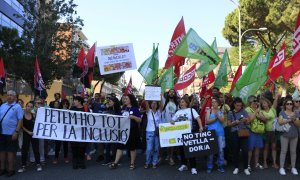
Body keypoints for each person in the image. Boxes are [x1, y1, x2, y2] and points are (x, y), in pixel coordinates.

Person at [172, 96, 203, 175]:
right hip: (180, 134)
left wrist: (201, 127)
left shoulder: (191, 110)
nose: (181, 103)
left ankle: (193, 167)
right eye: (180, 102)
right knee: (182, 150)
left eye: (183, 102)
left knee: (191, 150)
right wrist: (172, 122)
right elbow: (173, 120)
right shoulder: (178, 112)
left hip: (190, 133)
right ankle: (184, 164)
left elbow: (198, 118)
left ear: (186, 103)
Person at [109, 94, 142, 170]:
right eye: (124, 99)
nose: (124, 100)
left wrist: (133, 117)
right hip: (123, 131)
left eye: (126, 99)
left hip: (132, 131)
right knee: (120, 147)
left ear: (131, 100)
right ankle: (115, 163)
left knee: (132, 148)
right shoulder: (123, 108)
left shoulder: (135, 109)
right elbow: (117, 117)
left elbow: (140, 120)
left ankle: (132, 163)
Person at [0, 90, 24, 177]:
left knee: (10, 152)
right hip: (1, 133)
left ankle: (11, 169)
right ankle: (2, 169)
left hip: (11, 134)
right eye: (8, 95)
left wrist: (16, 132)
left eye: (11, 95)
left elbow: (20, 120)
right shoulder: (2, 105)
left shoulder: (17, 107)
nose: (9, 96)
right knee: (2, 151)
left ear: (15, 97)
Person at [227, 97, 250, 175]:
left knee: (245, 151)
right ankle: (236, 167)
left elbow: (248, 123)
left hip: (243, 132)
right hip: (234, 133)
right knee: (235, 151)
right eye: (237, 105)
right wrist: (235, 122)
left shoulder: (244, 111)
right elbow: (228, 124)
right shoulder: (230, 113)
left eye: (240, 105)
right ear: (234, 105)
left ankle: (246, 168)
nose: (239, 107)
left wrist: (246, 120)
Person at [18, 101, 42, 173]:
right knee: (24, 150)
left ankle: (38, 164)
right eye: (28, 106)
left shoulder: (34, 115)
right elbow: (21, 126)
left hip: (33, 134)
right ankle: (23, 165)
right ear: (26, 106)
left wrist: (38, 108)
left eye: (31, 107)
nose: (29, 108)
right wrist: (28, 132)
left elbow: (39, 122)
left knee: (36, 149)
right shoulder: (21, 115)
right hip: (26, 134)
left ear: (32, 108)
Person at [278, 99, 300, 175]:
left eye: (291, 104)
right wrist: (289, 119)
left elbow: (298, 124)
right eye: (288, 104)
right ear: (285, 105)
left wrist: (293, 119)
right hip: (284, 135)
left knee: (293, 152)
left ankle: (293, 167)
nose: (289, 105)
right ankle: (281, 168)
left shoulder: (296, 113)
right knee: (283, 151)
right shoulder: (282, 112)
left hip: (294, 135)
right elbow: (280, 122)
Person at [206, 97, 225, 173]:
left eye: (215, 102)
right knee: (211, 151)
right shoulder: (209, 111)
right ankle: (209, 166)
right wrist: (216, 117)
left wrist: (218, 115)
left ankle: (220, 165)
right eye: (212, 102)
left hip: (220, 133)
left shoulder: (221, 111)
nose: (213, 103)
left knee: (221, 150)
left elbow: (222, 121)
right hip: (211, 133)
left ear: (218, 103)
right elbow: (208, 121)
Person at [245, 95, 265, 171]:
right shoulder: (247, 109)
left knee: (257, 148)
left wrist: (257, 114)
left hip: (259, 131)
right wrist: (257, 112)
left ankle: (256, 163)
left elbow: (264, 119)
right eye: (254, 101)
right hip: (251, 131)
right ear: (250, 102)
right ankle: (248, 164)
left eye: (256, 100)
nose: (256, 102)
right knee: (250, 148)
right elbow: (250, 120)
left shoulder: (258, 109)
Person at [259, 96, 278, 169]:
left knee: (274, 147)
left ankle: (274, 162)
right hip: (266, 131)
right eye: (262, 103)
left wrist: (276, 96)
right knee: (266, 147)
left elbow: (275, 101)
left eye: (265, 103)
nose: (264, 104)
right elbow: (262, 118)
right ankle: (264, 162)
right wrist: (267, 118)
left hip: (273, 131)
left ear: (268, 103)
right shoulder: (261, 111)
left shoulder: (272, 109)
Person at [161, 89, 178, 166]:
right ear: (168, 94)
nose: (171, 93)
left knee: (172, 142)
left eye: (173, 92)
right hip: (165, 125)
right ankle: (167, 155)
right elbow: (161, 109)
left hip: (174, 125)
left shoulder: (177, 103)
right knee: (167, 142)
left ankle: (171, 157)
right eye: (170, 92)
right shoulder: (164, 101)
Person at [102, 96, 121, 165]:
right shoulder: (108, 109)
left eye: (110, 101)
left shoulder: (119, 111)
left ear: (114, 102)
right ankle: (107, 160)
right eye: (108, 101)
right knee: (108, 146)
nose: (109, 102)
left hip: (116, 131)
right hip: (109, 131)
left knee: (115, 146)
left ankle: (115, 160)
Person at [144, 100, 163, 169]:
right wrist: (147, 97)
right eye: (152, 103)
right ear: (150, 104)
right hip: (149, 132)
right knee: (149, 149)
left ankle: (154, 162)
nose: (154, 104)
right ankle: (147, 162)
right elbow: (146, 103)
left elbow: (162, 105)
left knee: (156, 148)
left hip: (157, 132)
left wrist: (160, 97)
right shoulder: (148, 111)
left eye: (155, 103)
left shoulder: (159, 112)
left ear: (157, 105)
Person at [70, 96, 87, 169]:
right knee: (74, 147)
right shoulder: (72, 109)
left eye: (75, 100)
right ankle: (75, 161)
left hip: (83, 131)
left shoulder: (86, 109)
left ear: (79, 101)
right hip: (73, 131)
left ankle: (81, 161)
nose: (74, 101)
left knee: (82, 147)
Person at [53, 99, 69, 164]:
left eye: (66, 103)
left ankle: (65, 157)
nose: (65, 105)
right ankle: (56, 158)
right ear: (62, 104)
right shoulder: (58, 111)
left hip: (66, 130)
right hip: (59, 130)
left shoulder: (69, 111)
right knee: (57, 145)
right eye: (64, 103)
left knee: (65, 145)